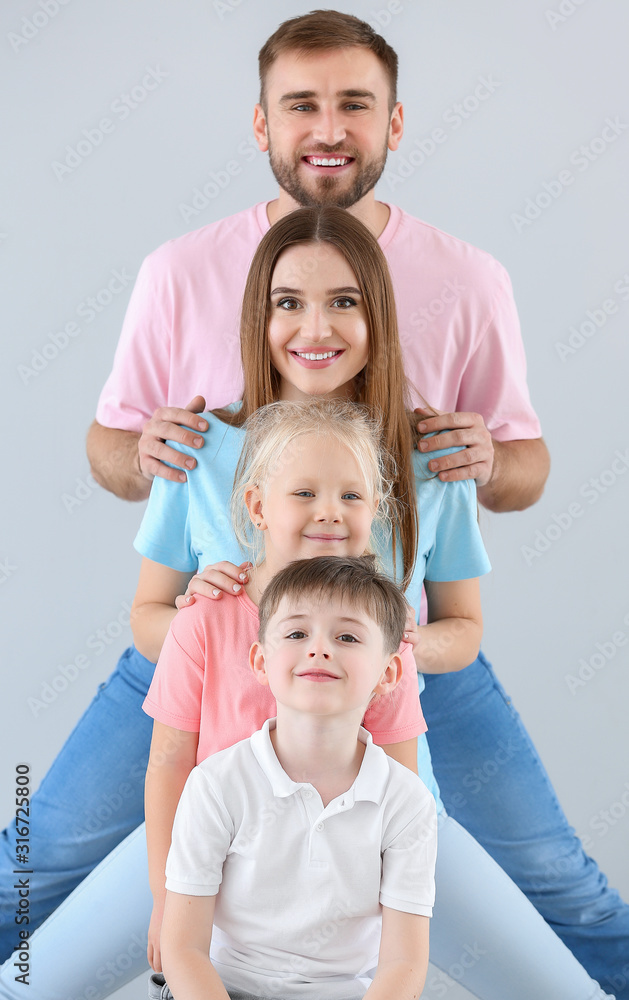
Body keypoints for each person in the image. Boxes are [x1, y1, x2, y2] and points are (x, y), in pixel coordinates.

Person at [0, 11, 625, 993]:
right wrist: (148, 454)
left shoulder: (467, 279)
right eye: (301, 104)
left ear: (394, 121)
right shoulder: (179, 272)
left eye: (353, 105)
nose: (327, 127)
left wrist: (481, 462)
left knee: (559, 885)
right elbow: (114, 450)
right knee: (30, 869)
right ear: (261, 124)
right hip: (207, 640)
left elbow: (521, 469)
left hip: (400, 643)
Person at [159, 554, 438, 1000]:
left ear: (389, 672)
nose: (319, 649)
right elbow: (183, 949)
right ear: (260, 662)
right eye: (296, 633)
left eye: (347, 636)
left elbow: (404, 963)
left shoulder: (407, 803)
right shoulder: (216, 784)